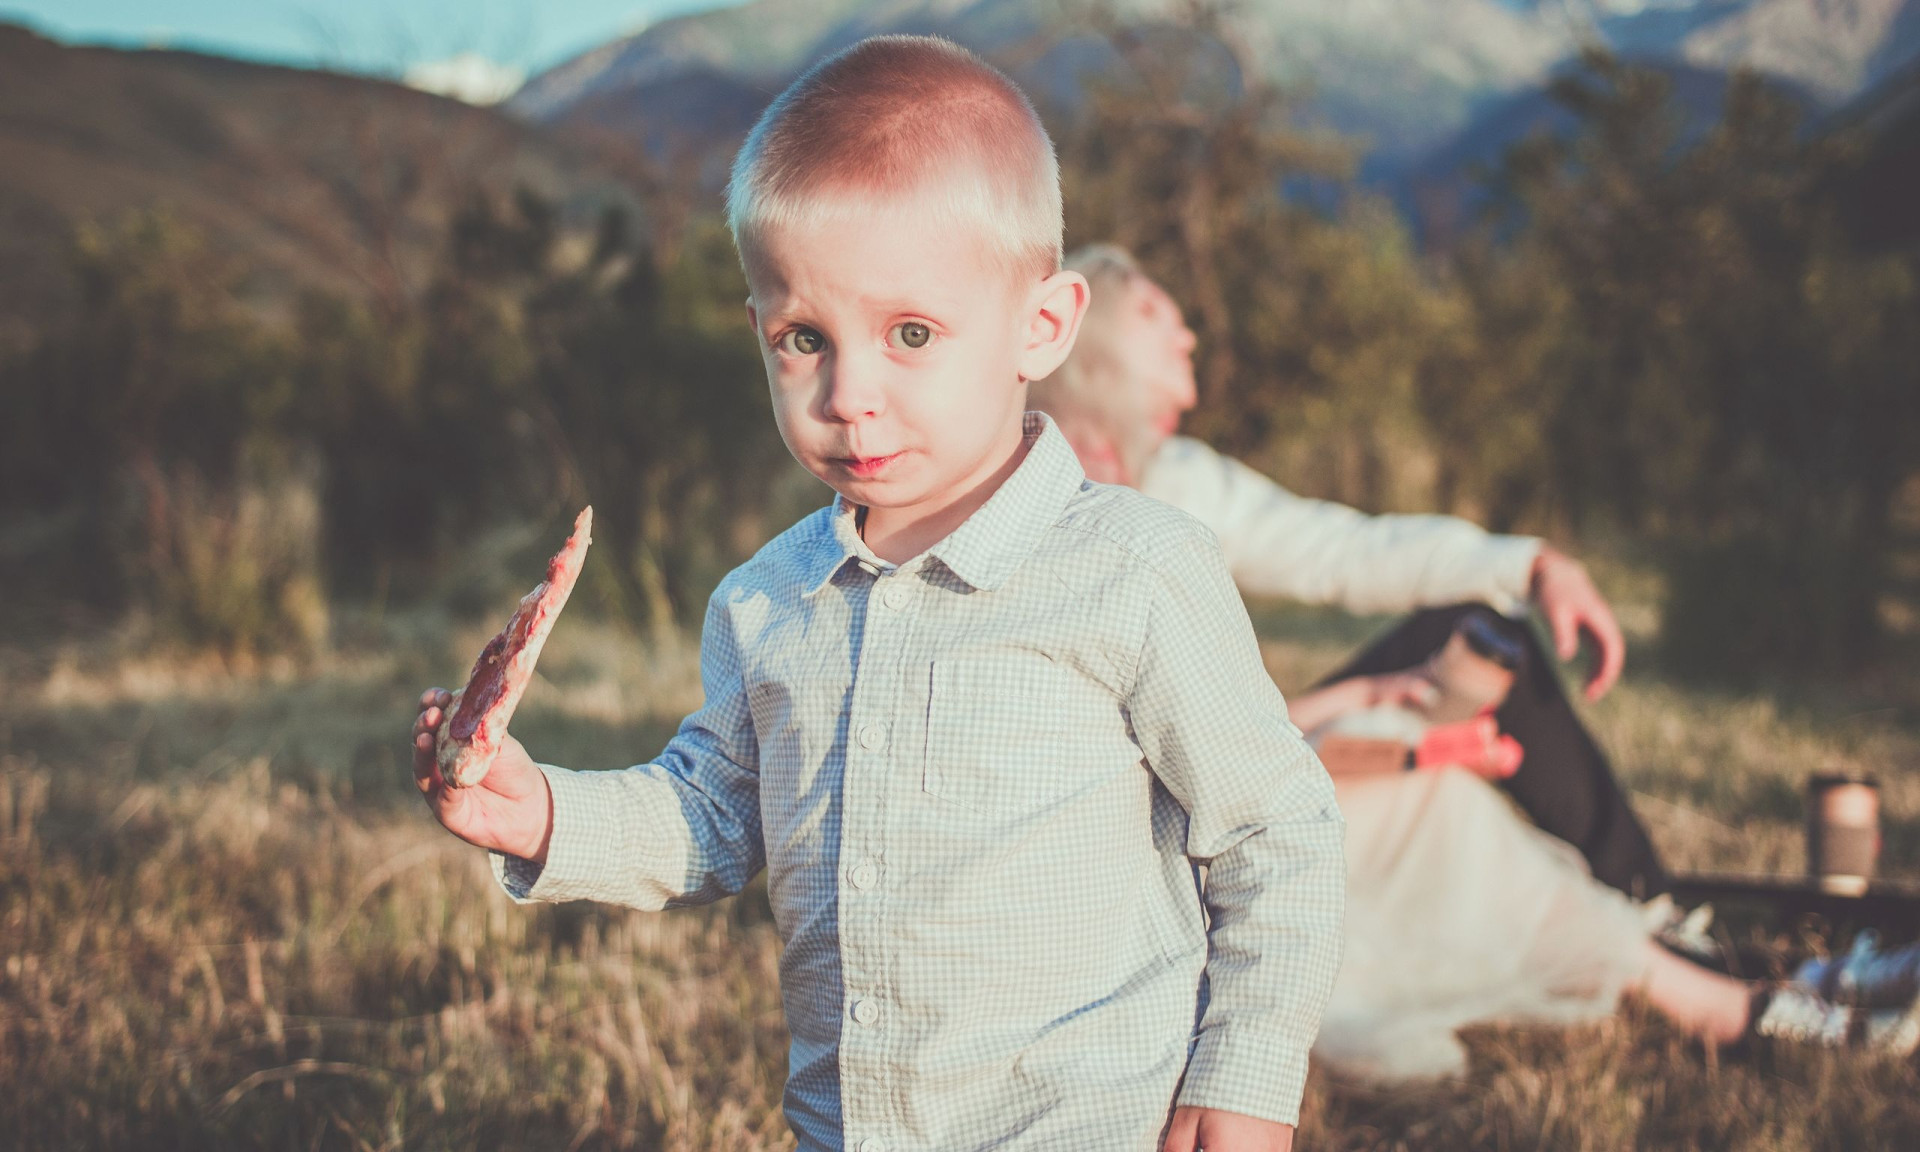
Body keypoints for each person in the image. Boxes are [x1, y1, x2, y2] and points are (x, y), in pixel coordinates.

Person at [410, 37, 1343, 1152]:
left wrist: (1246, 1074)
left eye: (911, 334)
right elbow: (713, 815)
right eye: (804, 339)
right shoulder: (765, 602)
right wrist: (547, 814)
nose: (850, 394)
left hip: (1091, 1124)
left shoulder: (1134, 569)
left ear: (1042, 326)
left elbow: (1275, 832)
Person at [1033, 243, 1670, 904]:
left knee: (1475, 634)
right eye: (1148, 311)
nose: (1186, 334)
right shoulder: (1022, 495)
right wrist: (1354, 702)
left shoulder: (1180, 478)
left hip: (1232, 763)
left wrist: (1534, 565)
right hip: (1138, 833)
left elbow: (1343, 551)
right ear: (1077, 334)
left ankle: (1651, 899)